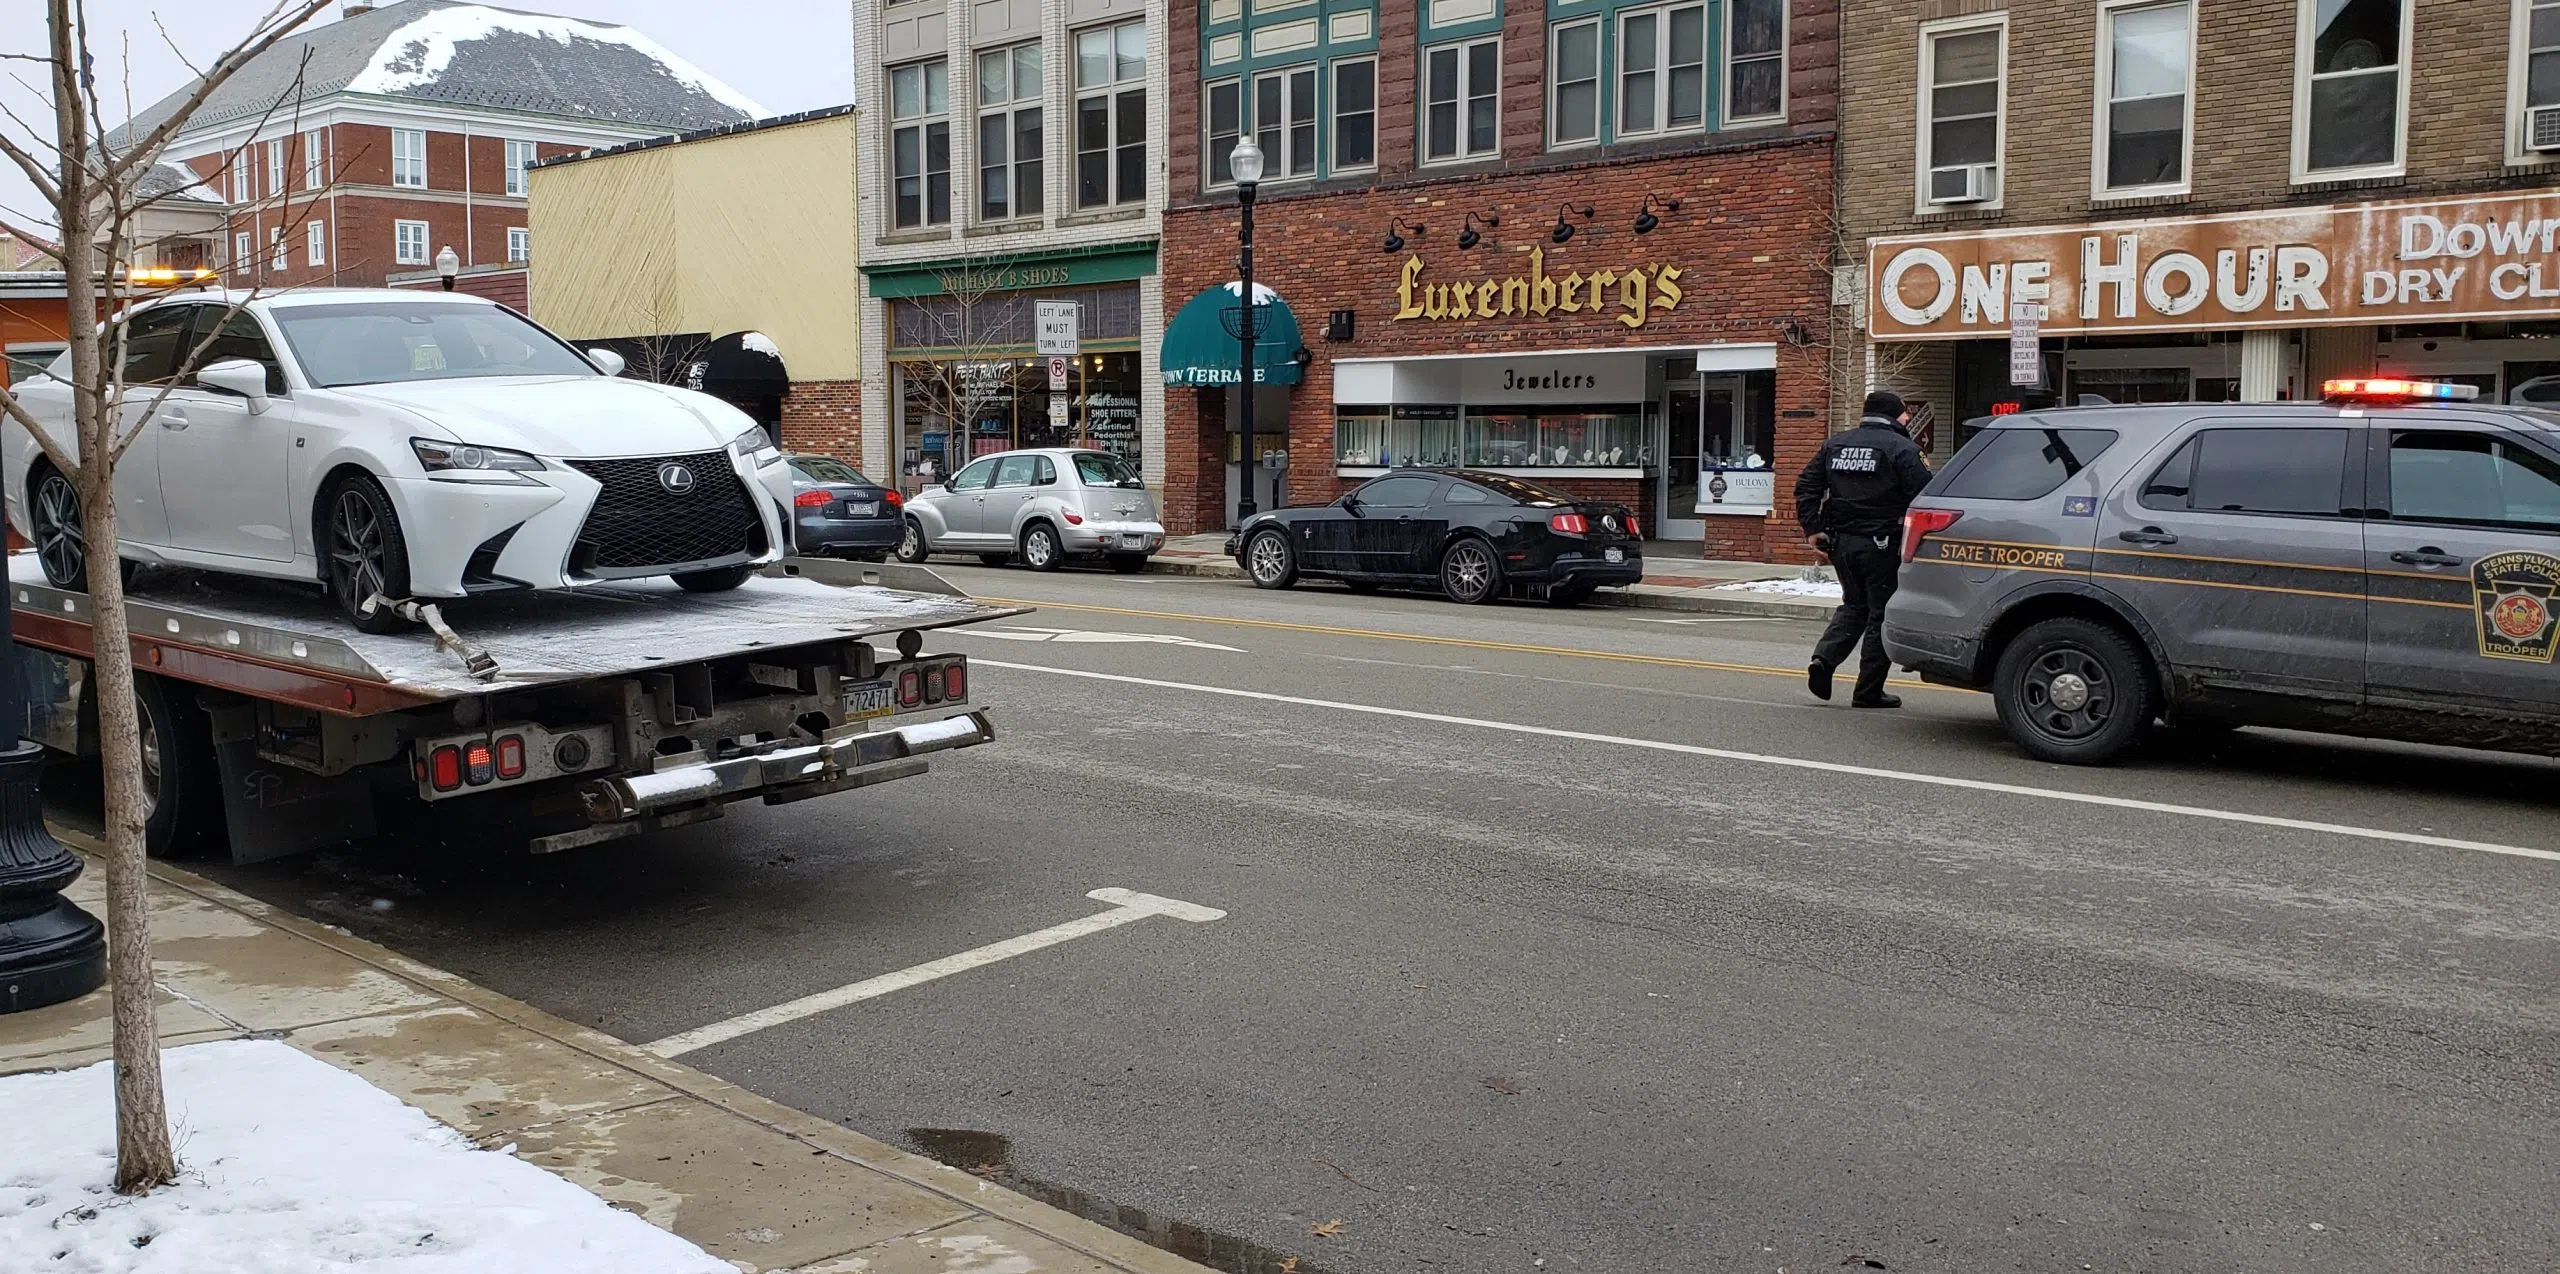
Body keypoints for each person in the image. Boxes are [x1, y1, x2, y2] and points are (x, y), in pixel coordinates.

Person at [1793, 390, 1933, 709]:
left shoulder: (1835, 444)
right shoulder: (1903, 449)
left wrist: (1813, 529)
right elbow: (1924, 496)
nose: (1908, 418)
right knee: (1879, 614)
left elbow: (1806, 486)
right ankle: (1868, 691)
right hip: (1883, 544)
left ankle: (1823, 660)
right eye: (1904, 414)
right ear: (1892, 415)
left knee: (1854, 605)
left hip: (1841, 542)